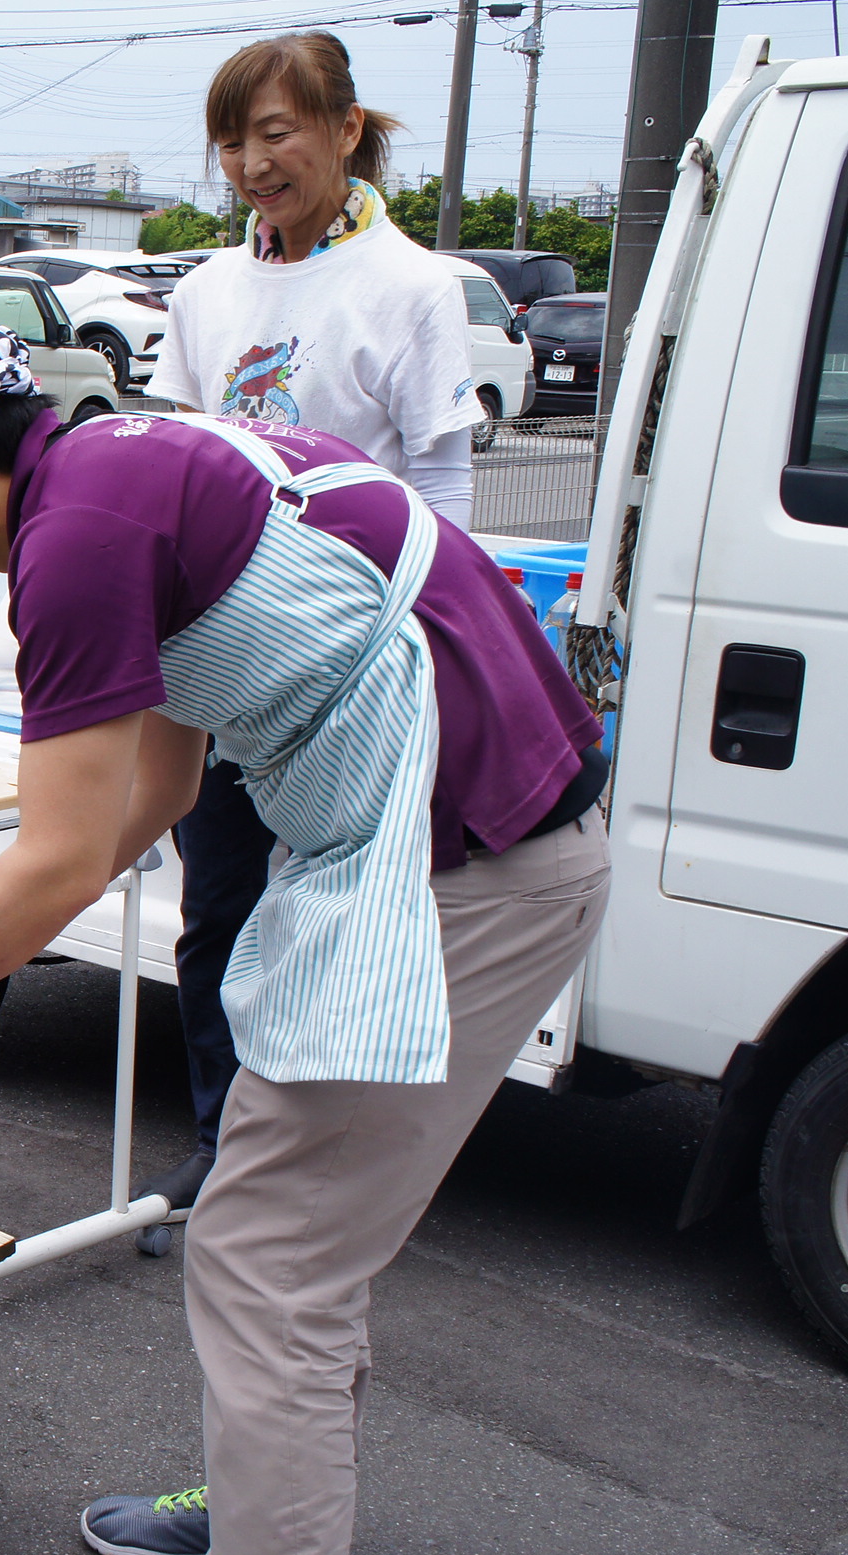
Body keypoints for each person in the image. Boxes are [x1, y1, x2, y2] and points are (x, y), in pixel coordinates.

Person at [0, 307, 607, 1555]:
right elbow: (157, 784)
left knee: (269, 1252)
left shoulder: (78, 536)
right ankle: (283, 1527)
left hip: (473, 860)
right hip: (442, 846)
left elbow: (54, 862)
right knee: (295, 1242)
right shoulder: (115, 474)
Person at [140, 32, 498, 1217]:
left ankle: (330, 1169)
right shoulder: (204, 290)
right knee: (220, 909)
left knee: (349, 921)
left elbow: (442, 498)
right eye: (234, 141)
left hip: (361, 669)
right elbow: (174, 466)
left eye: (278, 132)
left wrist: (449, 663)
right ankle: (223, 1143)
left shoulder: (414, 288)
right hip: (235, 661)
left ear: (347, 131)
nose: (253, 162)